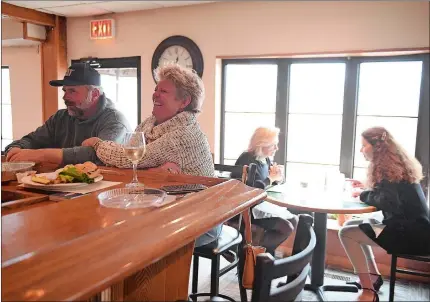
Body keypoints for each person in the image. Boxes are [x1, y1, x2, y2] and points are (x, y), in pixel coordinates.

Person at [82, 63, 216, 246]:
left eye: (164, 91)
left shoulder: (185, 134)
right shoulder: (149, 124)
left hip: (201, 216)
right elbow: (133, 160)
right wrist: (152, 169)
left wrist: (97, 143)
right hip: (165, 203)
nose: (155, 94)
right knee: (113, 222)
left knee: (131, 233)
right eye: (156, 89)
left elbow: (124, 159)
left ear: (184, 102)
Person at [339, 126, 430, 302]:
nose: (361, 150)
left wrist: (363, 194)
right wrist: (367, 189)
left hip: (410, 237)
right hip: (419, 231)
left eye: (364, 145)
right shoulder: (396, 167)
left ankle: (368, 291)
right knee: (352, 226)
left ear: (376, 147)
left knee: (347, 233)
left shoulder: (387, 171)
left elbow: (387, 201)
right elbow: (389, 195)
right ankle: (373, 278)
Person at [5, 63, 131, 168]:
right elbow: (32, 140)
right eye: (65, 90)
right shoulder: (60, 117)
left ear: (95, 94)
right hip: (63, 188)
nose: (65, 97)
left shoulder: (115, 122)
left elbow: (101, 155)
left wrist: (40, 155)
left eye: (72, 91)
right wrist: (15, 149)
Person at [231, 126, 298, 256]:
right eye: (274, 145)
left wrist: (278, 178)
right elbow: (250, 191)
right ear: (262, 144)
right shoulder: (246, 159)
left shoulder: (265, 159)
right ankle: (251, 255)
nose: (276, 149)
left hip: (261, 205)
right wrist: (270, 179)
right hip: (246, 209)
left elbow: (268, 183)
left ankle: (263, 255)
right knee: (287, 227)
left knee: (294, 219)